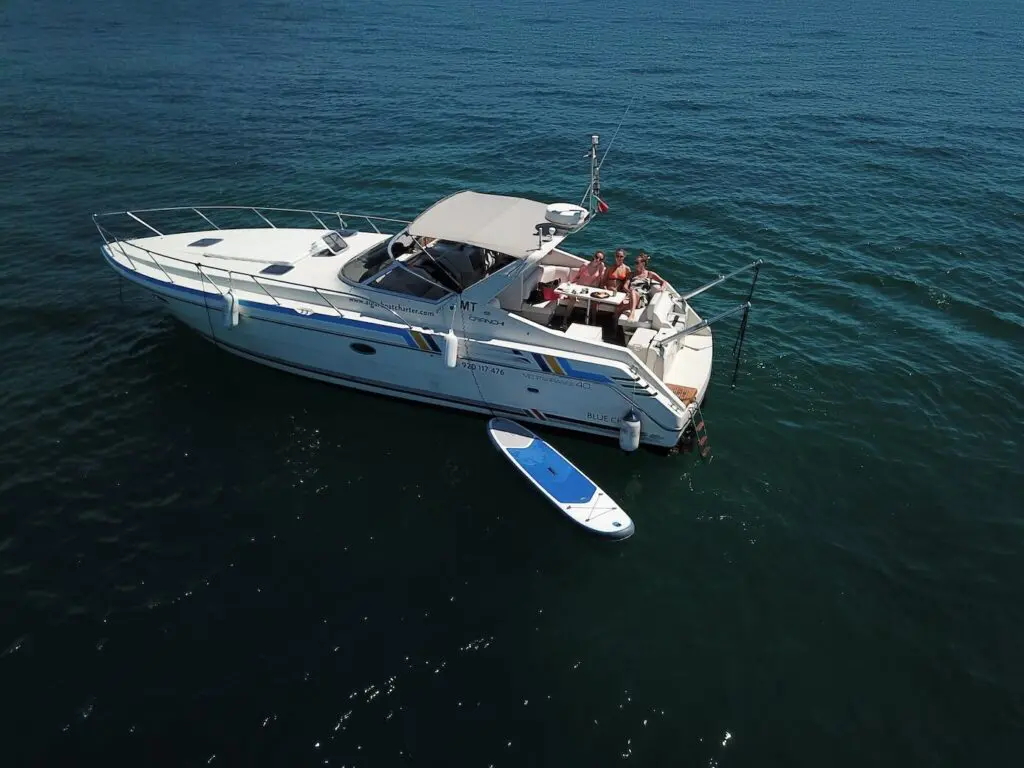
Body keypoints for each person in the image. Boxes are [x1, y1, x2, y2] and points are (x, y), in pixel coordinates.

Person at [559, 250, 606, 328]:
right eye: (597, 257)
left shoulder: (601, 266)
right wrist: (570, 283)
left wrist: (601, 289)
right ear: (593, 257)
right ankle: (564, 321)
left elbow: (600, 278)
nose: (598, 260)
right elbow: (577, 277)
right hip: (579, 288)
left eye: (601, 259)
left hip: (590, 290)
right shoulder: (585, 265)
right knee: (572, 300)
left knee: (594, 302)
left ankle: (593, 323)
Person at [617, 251, 665, 317]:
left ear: (643, 263)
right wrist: (629, 292)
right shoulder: (631, 274)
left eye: (637, 263)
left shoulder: (649, 274)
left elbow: (664, 282)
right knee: (617, 310)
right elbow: (625, 286)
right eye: (635, 263)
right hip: (630, 296)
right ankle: (614, 327)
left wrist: (662, 288)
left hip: (642, 298)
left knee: (633, 292)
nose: (635, 264)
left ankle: (632, 313)